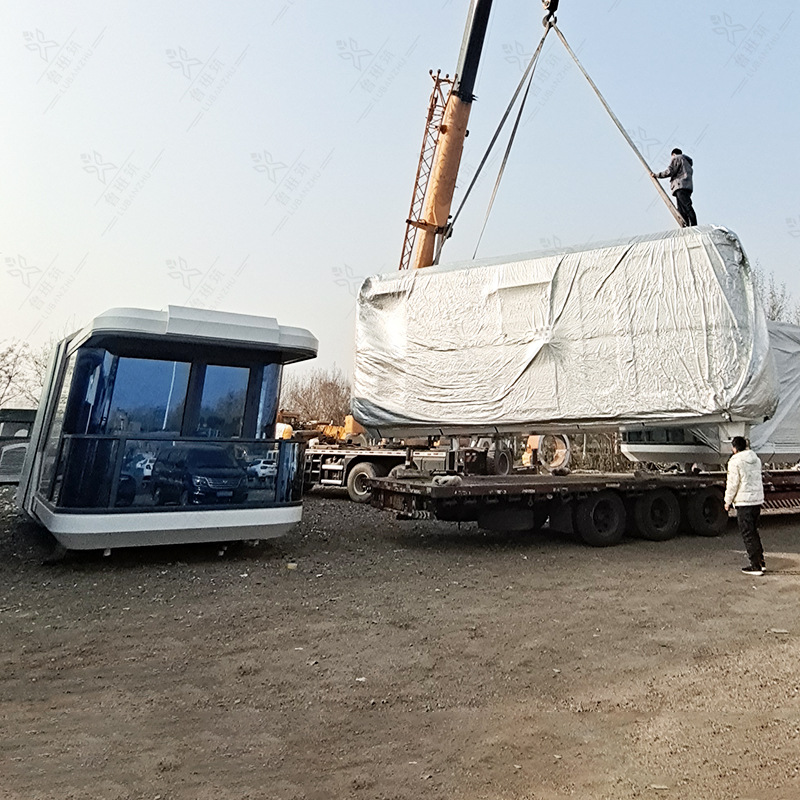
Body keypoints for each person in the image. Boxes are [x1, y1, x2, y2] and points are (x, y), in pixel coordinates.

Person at [724, 436, 766, 576]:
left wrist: (727, 501)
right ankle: (761, 561)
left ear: (734, 448)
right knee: (754, 531)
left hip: (744, 501)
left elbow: (733, 483)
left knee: (747, 533)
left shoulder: (735, 461)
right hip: (756, 500)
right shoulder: (756, 459)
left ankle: (755, 566)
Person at [651, 148, 697, 227]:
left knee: (686, 206)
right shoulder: (687, 163)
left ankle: (693, 225)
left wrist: (657, 175)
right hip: (687, 187)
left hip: (680, 186)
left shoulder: (677, 158)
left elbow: (669, 171)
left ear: (673, 154)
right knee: (682, 209)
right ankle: (687, 226)